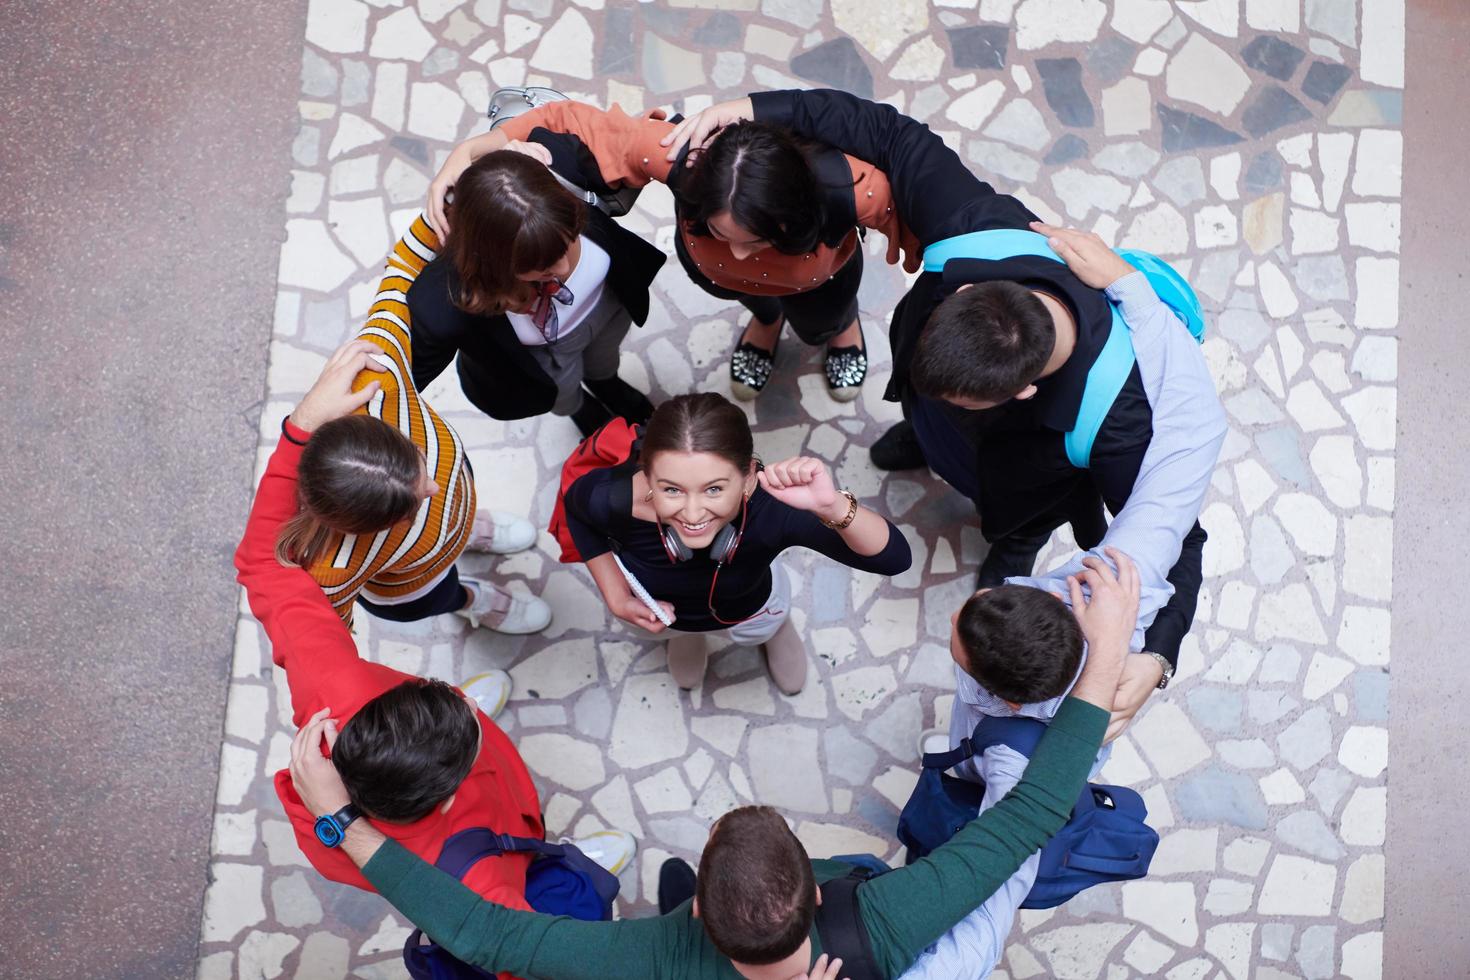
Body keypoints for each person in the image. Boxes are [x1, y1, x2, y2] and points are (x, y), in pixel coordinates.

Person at [283, 545, 1138, 980]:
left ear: (698, 921)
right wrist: (1102, 656)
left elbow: (481, 930)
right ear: (811, 887)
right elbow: (1029, 815)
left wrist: (340, 820)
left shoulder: (649, 958)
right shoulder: (894, 920)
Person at [666, 91, 1214, 719]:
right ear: (972, 290)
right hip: (948, 436)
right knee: (923, 428)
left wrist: (1158, 655)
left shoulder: (1125, 424)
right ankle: (923, 440)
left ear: (1020, 393)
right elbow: (889, 132)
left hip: (1021, 487)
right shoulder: (981, 230)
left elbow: (1180, 537)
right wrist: (753, 107)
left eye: (958, 398)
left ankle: (1010, 548)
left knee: (1013, 530)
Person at [239, 341, 635, 942]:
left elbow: (263, 563)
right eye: (464, 725)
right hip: (507, 854)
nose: (467, 709)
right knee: (551, 878)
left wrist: (302, 430)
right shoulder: (469, 885)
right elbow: (521, 952)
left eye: (444, 702)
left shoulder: (331, 692)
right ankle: (563, 866)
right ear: (448, 796)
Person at [427, 99, 923, 402]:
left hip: (821, 282)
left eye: (760, 240)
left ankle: (841, 331)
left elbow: (931, 211)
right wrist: (470, 151)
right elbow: (573, 120)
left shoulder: (858, 191)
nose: (744, 254)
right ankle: (766, 321)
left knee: (822, 319)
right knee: (754, 297)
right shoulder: (673, 151)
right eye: (721, 232)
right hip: (717, 279)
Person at [278, 221, 550, 633]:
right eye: (411, 509)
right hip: (416, 578)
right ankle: (471, 599)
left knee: (453, 503)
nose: (432, 487)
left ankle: (471, 528)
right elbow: (328, 638)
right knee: (443, 594)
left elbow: (401, 268)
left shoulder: (375, 373)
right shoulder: (330, 570)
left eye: (419, 464)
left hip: (457, 506)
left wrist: (453, 188)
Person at [562, 392, 911, 694]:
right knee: (673, 634)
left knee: (763, 627)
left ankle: (774, 631)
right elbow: (576, 512)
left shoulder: (773, 508)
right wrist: (615, 595)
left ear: (747, 478)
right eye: (671, 489)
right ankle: (684, 637)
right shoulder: (609, 498)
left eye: (714, 488)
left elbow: (894, 559)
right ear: (647, 473)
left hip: (753, 611)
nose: (693, 513)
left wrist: (830, 506)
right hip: (661, 616)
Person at [407, 146, 665, 436]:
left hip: (610, 308)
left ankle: (605, 381)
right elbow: (402, 378)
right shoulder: (446, 303)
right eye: (542, 267)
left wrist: (469, 150)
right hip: (545, 356)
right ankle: (578, 408)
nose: (565, 267)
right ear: (495, 263)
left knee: (604, 359)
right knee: (563, 391)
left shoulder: (564, 169)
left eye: (568, 240)